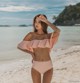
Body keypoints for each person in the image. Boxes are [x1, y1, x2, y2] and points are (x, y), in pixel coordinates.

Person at [17, 14, 60, 83]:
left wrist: (46, 21)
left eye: (39, 22)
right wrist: (31, 53)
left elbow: (58, 31)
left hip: (48, 66)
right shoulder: (31, 35)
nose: (36, 24)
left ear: (44, 23)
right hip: (36, 66)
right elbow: (19, 46)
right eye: (35, 22)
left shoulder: (48, 36)